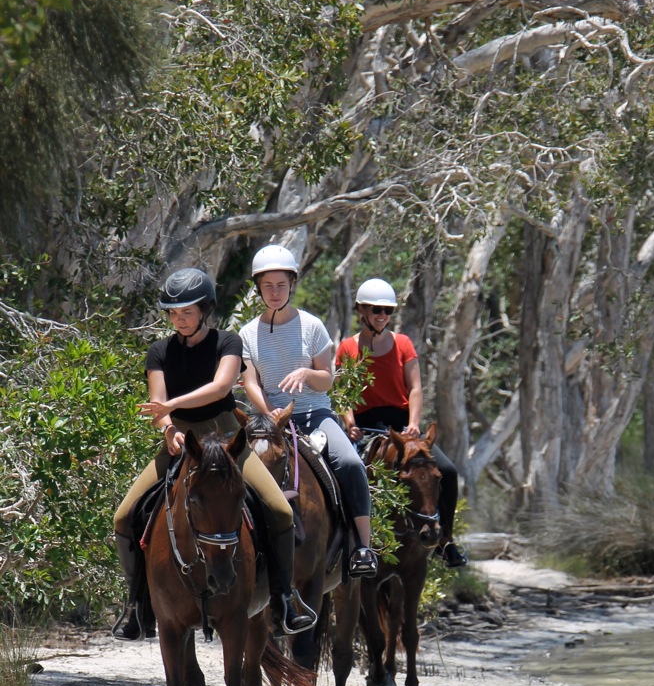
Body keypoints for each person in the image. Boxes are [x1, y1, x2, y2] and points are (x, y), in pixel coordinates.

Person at [112, 266, 316, 640]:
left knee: (280, 510)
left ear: (204, 310)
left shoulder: (228, 342)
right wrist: (169, 428)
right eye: (174, 313)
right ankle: (136, 606)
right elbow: (158, 406)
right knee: (124, 516)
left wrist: (170, 405)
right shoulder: (159, 352)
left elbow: (220, 386)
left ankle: (285, 599)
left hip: (227, 440)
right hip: (181, 443)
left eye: (187, 311)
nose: (180, 319)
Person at [239, 245, 378, 578]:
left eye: (281, 285)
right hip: (269, 421)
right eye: (268, 285)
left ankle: (362, 546)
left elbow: (327, 379)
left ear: (291, 285)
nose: (275, 292)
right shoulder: (245, 334)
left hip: (315, 415)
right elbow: (249, 383)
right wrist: (271, 411)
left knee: (350, 462)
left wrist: (306, 374)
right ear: (258, 288)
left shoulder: (312, 326)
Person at [337, 277, 468, 568]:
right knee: (344, 471)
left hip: (402, 424)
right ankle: (342, 542)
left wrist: (413, 423)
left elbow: (415, 388)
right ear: (362, 310)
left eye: (387, 311)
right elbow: (343, 392)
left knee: (446, 469)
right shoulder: (347, 347)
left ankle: (445, 540)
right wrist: (348, 422)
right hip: (365, 424)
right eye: (376, 310)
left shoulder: (403, 344)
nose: (382, 316)